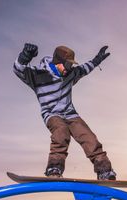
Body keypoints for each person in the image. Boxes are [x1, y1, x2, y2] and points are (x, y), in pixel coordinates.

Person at [13, 43, 117, 180]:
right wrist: (25, 56)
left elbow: (85, 68)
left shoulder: (71, 73)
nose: (69, 69)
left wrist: (97, 59)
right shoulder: (38, 74)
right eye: (67, 65)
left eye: (71, 66)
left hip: (70, 114)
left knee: (88, 137)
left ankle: (104, 170)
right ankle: (54, 168)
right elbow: (18, 69)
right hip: (52, 114)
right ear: (57, 63)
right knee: (61, 132)